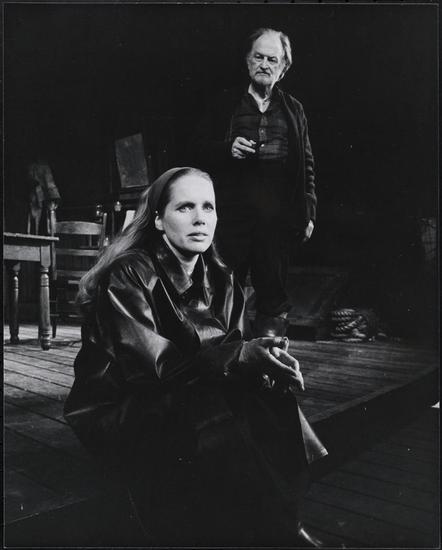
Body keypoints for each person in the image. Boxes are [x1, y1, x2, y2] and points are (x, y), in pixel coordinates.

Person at [64, 167, 327, 547]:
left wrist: (267, 363)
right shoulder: (129, 273)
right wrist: (239, 356)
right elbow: (151, 370)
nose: (200, 218)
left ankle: (285, 520)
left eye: (208, 207)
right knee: (212, 408)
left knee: (271, 395)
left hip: (187, 391)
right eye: (185, 207)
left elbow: (235, 346)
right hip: (121, 407)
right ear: (158, 219)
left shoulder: (222, 277)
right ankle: (282, 532)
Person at [190, 28, 317, 338]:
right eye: (258, 57)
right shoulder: (225, 103)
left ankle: (268, 360)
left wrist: (308, 212)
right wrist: (227, 150)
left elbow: (307, 165)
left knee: (273, 295)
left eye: (272, 59)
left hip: (276, 217)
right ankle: (225, 355)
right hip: (230, 213)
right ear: (248, 61)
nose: (264, 64)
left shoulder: (294, 109)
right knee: (222, 288)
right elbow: (194, 150)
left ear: (284, 67)